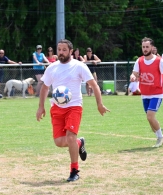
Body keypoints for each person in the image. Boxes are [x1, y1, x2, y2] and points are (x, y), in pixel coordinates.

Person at [36, 39, 109, 182]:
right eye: (59, 49)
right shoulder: (52, 68)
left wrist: (99, 104)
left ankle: (74, 170)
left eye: (64, 50)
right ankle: (79, 143)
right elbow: (45, 87)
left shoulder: (79, 66)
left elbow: (94, 86)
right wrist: (41, 107)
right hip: (56, 108)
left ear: (71, 51)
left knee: (70, 137)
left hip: (74, 107)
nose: (61, 52)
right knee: (58, 142)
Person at [130, 37, 163, 147]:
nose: (145, 49)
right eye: (143, 47)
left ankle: (160, 137)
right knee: (150, 120)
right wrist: (133, 77)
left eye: (147, 47)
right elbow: (134, 73)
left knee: (150, 117)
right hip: (145, 94)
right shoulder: (139, 61)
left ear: (152, 47)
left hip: (157, 93)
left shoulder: (158, 60)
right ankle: (158, 132)